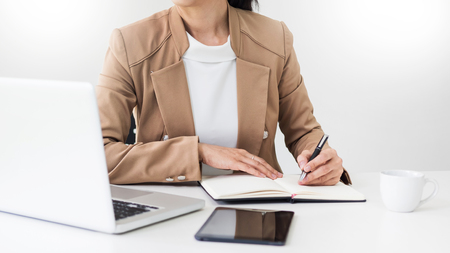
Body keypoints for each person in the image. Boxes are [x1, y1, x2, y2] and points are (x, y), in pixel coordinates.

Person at [96, 0, 351, 186]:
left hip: (258, 208)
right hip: (168, 209)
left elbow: (304, 132)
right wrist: (199, 152)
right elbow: (97, 153)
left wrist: (322, 162)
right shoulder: (130, 43)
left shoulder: (274, 38)